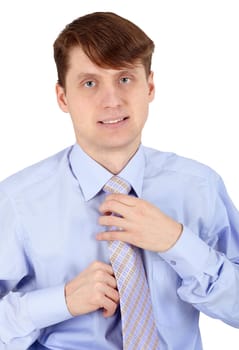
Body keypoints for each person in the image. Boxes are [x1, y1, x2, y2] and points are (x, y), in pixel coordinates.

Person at [0, 11, 239, 350]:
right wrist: (62, 301)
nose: (111, 100)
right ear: (62, 97)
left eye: (125, 78)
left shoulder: (199, 186)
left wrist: (178, 243)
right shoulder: (16, 202)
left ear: (150, 86)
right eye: (89, 83)